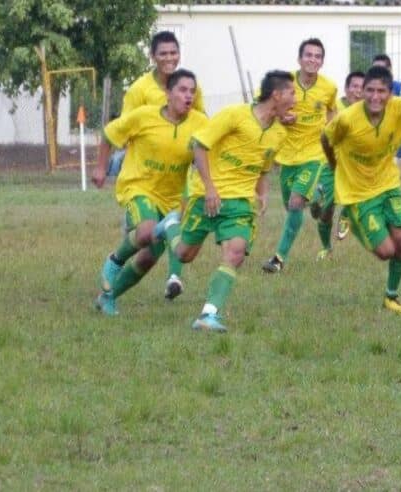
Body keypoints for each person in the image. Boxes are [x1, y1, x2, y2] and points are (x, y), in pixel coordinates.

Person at [154, 71, 295, 332]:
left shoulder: (279, 133)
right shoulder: (235, 115)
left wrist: (262, 193)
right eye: (292, 93)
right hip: (207, 196)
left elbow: (262, 167)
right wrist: (209, 188)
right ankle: (171, 225)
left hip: (240, 203)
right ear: (276, 94)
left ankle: (208, 314)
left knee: (235, 253)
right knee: (184, 254)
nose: (295, 100)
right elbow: (199, 144)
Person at [321, 65, 401, 314]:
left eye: (381, 91)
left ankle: (391, 296)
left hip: (388, 185)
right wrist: (336, 166)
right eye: (370, 90)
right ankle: (354, 221)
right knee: (386, 252)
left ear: (390, 93)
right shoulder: (347, 119)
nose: (375, 97)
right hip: (358, 194)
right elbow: (326, 139)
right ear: (362, 92)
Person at [91, 70, 208, 316]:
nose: (188, 96)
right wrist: (101, 167)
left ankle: (107, 297)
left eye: (192, 91)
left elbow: (217, 147)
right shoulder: (144, 116)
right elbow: (109, 134)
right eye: (182, 90)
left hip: (173, 197)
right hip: (138, 186)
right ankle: (114, 261)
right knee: (145, 231)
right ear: (168, 94)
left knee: (146, 260)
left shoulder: (200, 123)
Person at [113, 30, 207, 299]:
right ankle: (114, 267)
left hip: (177, 174)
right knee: (146, 237)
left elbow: (201, 124)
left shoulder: (189, 86)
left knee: (168, 234)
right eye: (163, 53)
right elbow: (126, 129)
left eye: (173, 52)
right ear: (152, 56)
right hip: (144, 176)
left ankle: (173, 277)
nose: (169, 58)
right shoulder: (139, 90)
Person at [262, 39, 337, 273]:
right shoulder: (283, 84)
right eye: (308, 55)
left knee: (296, 202)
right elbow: (262, 106)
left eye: (317, 56)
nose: (313, 60)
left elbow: (333, 109)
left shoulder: (328, 87)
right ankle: (316, 197)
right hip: (286, 156)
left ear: (322, 62)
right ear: (299, 59)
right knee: (292, 208)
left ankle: (278, 259)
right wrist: (281, 117)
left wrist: (330, 131)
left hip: (314, 155)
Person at [309, 70, 363, 255]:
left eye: (362, 88)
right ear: (347, 89)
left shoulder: (368, 111)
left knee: (352, 200)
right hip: (331, 164)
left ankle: (347, 215)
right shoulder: (335, 107)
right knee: (324, 210)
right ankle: (326, 248)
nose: (358, 91)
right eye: (354, 86)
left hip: (353, 167)